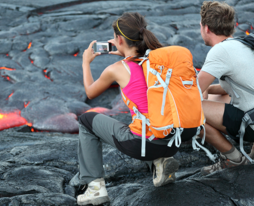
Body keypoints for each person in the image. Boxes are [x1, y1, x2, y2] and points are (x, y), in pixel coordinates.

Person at [76, 12, 201, 205]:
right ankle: (160, 163)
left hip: (144, 145)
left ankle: (94, 188)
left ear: (118, 39)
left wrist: (86, 63)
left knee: (86, 120)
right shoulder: (158, 62)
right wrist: (124, 51)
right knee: (151, 116)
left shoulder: (117, 69)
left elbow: (90, 93)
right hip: (173, 141)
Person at [197, 1, 254, 175]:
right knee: (214, 98)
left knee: (188, 111)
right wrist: (208, 90)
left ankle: (233, 158)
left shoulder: (220, 52)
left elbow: (192, 92)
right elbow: (233, 88)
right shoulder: (240, 44)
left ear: (206, 28)